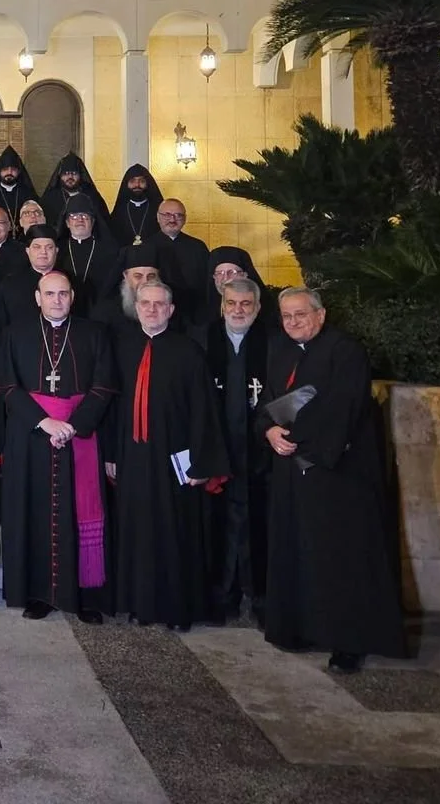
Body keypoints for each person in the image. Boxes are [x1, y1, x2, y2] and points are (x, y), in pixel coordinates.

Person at [259, 287, 407, 673]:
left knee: (338, 558)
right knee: (297, 551)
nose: (293, 322)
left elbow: (341, 409)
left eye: (301, 314)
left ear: (321, 315)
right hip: (290, 472)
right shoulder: (280, 349)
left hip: (335, 475)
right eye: (287, 316)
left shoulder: (345, 352)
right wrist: (268, 432)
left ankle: (347, 641)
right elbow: (269, 402)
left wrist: (295, 440)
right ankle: (298, 627)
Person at [0, 270, 117, 621]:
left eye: (63, 294)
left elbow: (104, 387)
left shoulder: (94, 334)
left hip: (80, 437)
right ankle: (39, 594)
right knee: (34, 513)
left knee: (80, 513)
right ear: (37, 297)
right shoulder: (15, 334)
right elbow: (5, 386)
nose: (56, 300)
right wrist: (44, 422)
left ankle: (86, 598)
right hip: (31, 438)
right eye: (50, 294)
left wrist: (73, 425)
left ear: (72, 297)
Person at [107, 282, 229, 630]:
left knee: (175, 533)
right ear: (137, 307)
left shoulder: (189, 351)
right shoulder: (122, 347)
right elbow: (113, 406)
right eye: (145, 303)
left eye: (160, 304)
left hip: (175, 459)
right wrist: (111, 454)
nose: (152, 309)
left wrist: (202, 463)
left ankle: (178, 609)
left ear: (171, 310)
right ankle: (139, 604)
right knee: (134, 529)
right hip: (131, 456)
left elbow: (204, 411)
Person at [203, 277, 272, 622]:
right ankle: (221, 596)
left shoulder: (272, 344)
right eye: (231, 303)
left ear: (258, 308)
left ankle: (260, 597)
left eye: (246, 304)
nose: (238, 310)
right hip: (218, 450)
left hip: (260, 454)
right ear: (221, 305)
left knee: (259, 525)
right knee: (220, 525)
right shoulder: (204, 340)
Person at [152, 198, 210, 326]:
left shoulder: (198, 247)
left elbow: (207, 282)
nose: (172, 220)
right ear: (158, 217)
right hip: (158, 313)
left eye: (178, 215)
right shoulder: (147, 247)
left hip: (194, 314)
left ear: (185, 219)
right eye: (167, 215)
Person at [0, 224, 63, 327]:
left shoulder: (68, 282)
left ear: (56, 251)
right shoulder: (10, 283)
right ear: (28, 251)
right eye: (37, 247)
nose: (43, 252)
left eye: (49, 247)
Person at [59, 199, 118, 314]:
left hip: (99, 310)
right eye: (74, 216)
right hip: (64, 309)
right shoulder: (58, 249)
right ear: (67, 223)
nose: (80, 219)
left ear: (93, 221)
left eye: (85, 216)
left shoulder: (110, 250)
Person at [91, 247, 164, 329]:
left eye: (151, 276)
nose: (145, 282)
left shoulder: (167, 309)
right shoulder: (105, 312)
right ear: (125, 276)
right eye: (138, 276)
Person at [0, 146, 39, 232]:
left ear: (19, 171)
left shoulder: (28, 194)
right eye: (5, 169)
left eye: (13, 170)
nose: (9, 173)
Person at [40, 153, 110, 229]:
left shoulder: (92, 196)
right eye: (66, 173)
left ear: (80, 175)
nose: (70, 177)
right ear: (60, 175)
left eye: (74, 173)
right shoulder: (50, 198)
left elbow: (103, 224)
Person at [107, 163, 163, 248]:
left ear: (148, 184)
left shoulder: (158, 210)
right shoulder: (119, 213)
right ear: (126, 184)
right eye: (132, 181)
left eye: (142, 181)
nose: (137, 185)